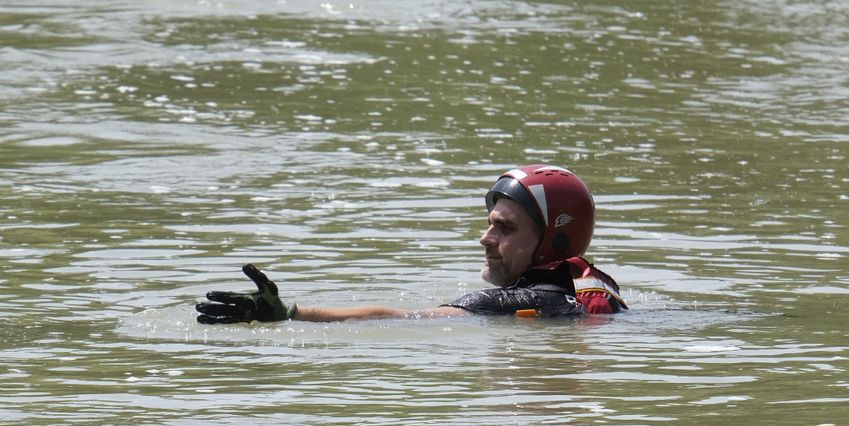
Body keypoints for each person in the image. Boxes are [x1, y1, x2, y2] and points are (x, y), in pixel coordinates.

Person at [196, 164, 626, 324]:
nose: (485, 237)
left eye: (505, 229)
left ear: (553, 241)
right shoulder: (590, 290)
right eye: (489, 224)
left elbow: (402, 316)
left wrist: (289, 314)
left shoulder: (521, 301)